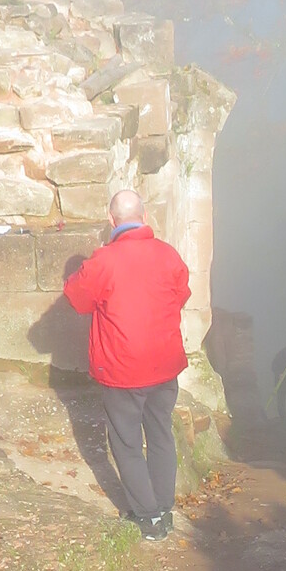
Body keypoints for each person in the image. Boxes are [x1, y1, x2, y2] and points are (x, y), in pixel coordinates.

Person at [63, 185, 191, 540]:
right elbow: (181, 295)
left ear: (111, 220)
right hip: (164, 365)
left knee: (126, 442)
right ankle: (164, 509)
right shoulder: (168, 255)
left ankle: (149, 519)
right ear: (144, 217)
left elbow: (76, 298)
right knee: (161, 433)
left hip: (122, 369)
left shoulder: (103, 261)